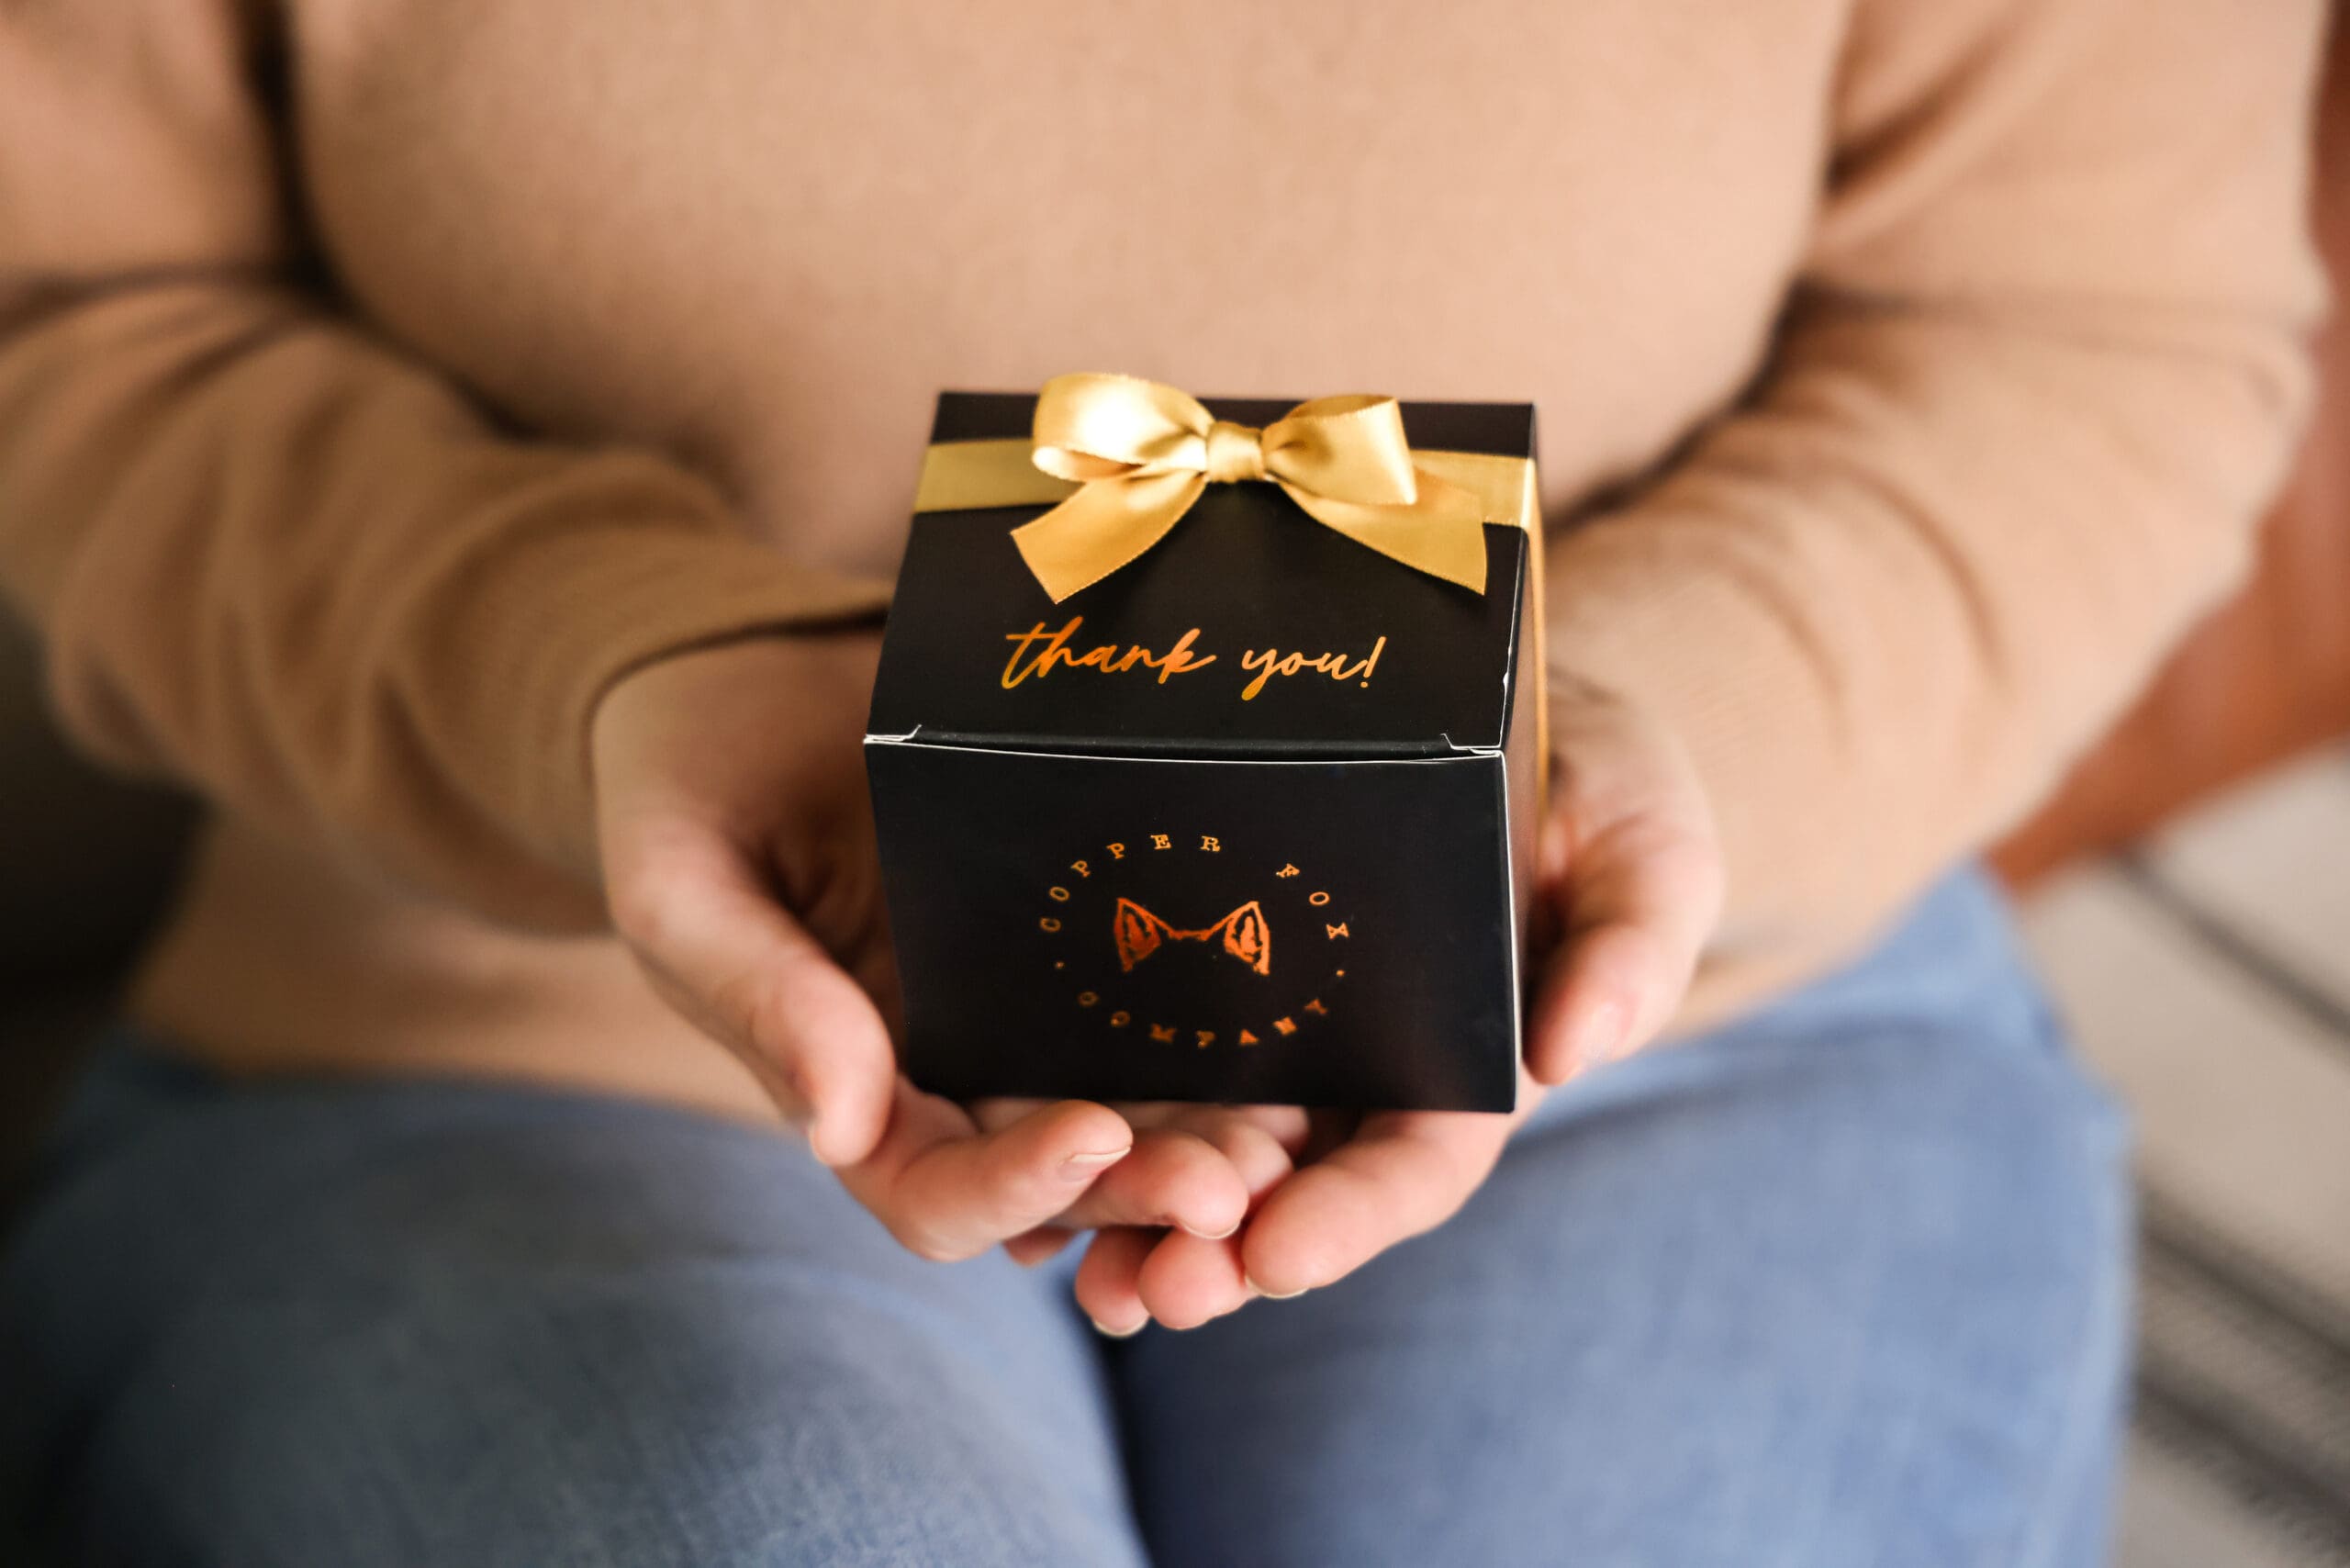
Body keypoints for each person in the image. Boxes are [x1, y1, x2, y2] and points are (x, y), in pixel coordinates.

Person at [0, 2, 2323, 1563]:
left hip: (1665, 1003)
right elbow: (79, 311)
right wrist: (608, 665)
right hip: (521, 1005)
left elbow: (2083, 323)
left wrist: (1593, 741)